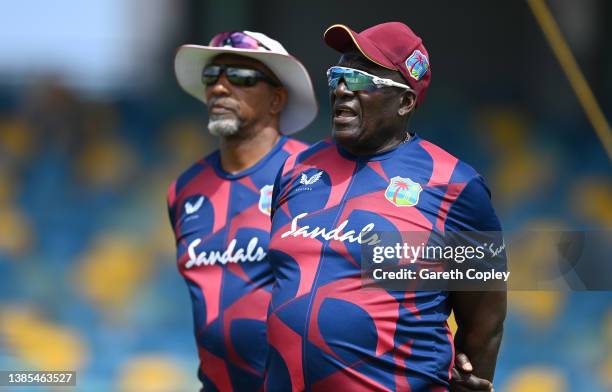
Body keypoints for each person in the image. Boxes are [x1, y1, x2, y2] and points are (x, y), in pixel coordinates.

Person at [266, 22, 506, 391]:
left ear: (405, 101)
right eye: (338, 76)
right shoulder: (297, 169)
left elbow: (484, 324)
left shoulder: (458, 186)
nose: (343, 90)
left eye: (361, 80)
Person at [167, 31, 317, 391]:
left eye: (240, 77)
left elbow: (392, 256)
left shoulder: (317, 177)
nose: (219, 88)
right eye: (211, 77)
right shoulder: (184, 189)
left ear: (277, 100)